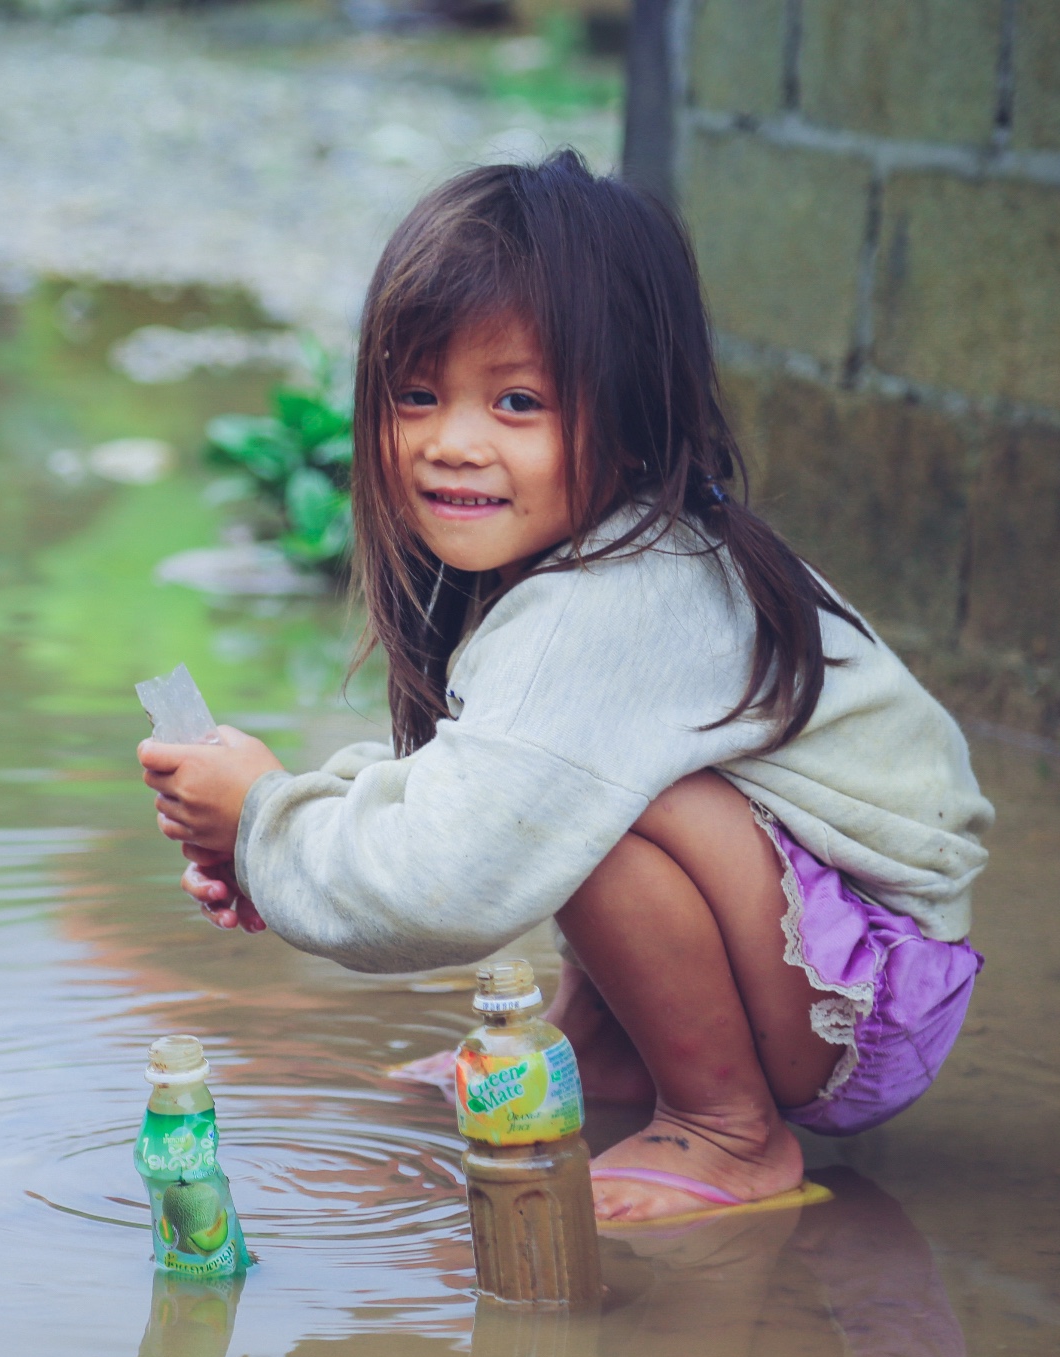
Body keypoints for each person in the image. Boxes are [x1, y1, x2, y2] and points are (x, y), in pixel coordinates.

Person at [138, 151, 990, 1226]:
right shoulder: (588, 561)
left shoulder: (620, 598)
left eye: (517, 401)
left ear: (630, 417)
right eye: (417, 395)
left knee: (587, 795)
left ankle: (727, 1130)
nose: (454, 443)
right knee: (555, 783)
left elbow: (447, 879)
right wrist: (282, 826)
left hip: (865, 990)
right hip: (827, 942)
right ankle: (606, 1055)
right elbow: (462, 784)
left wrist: (265, 823)